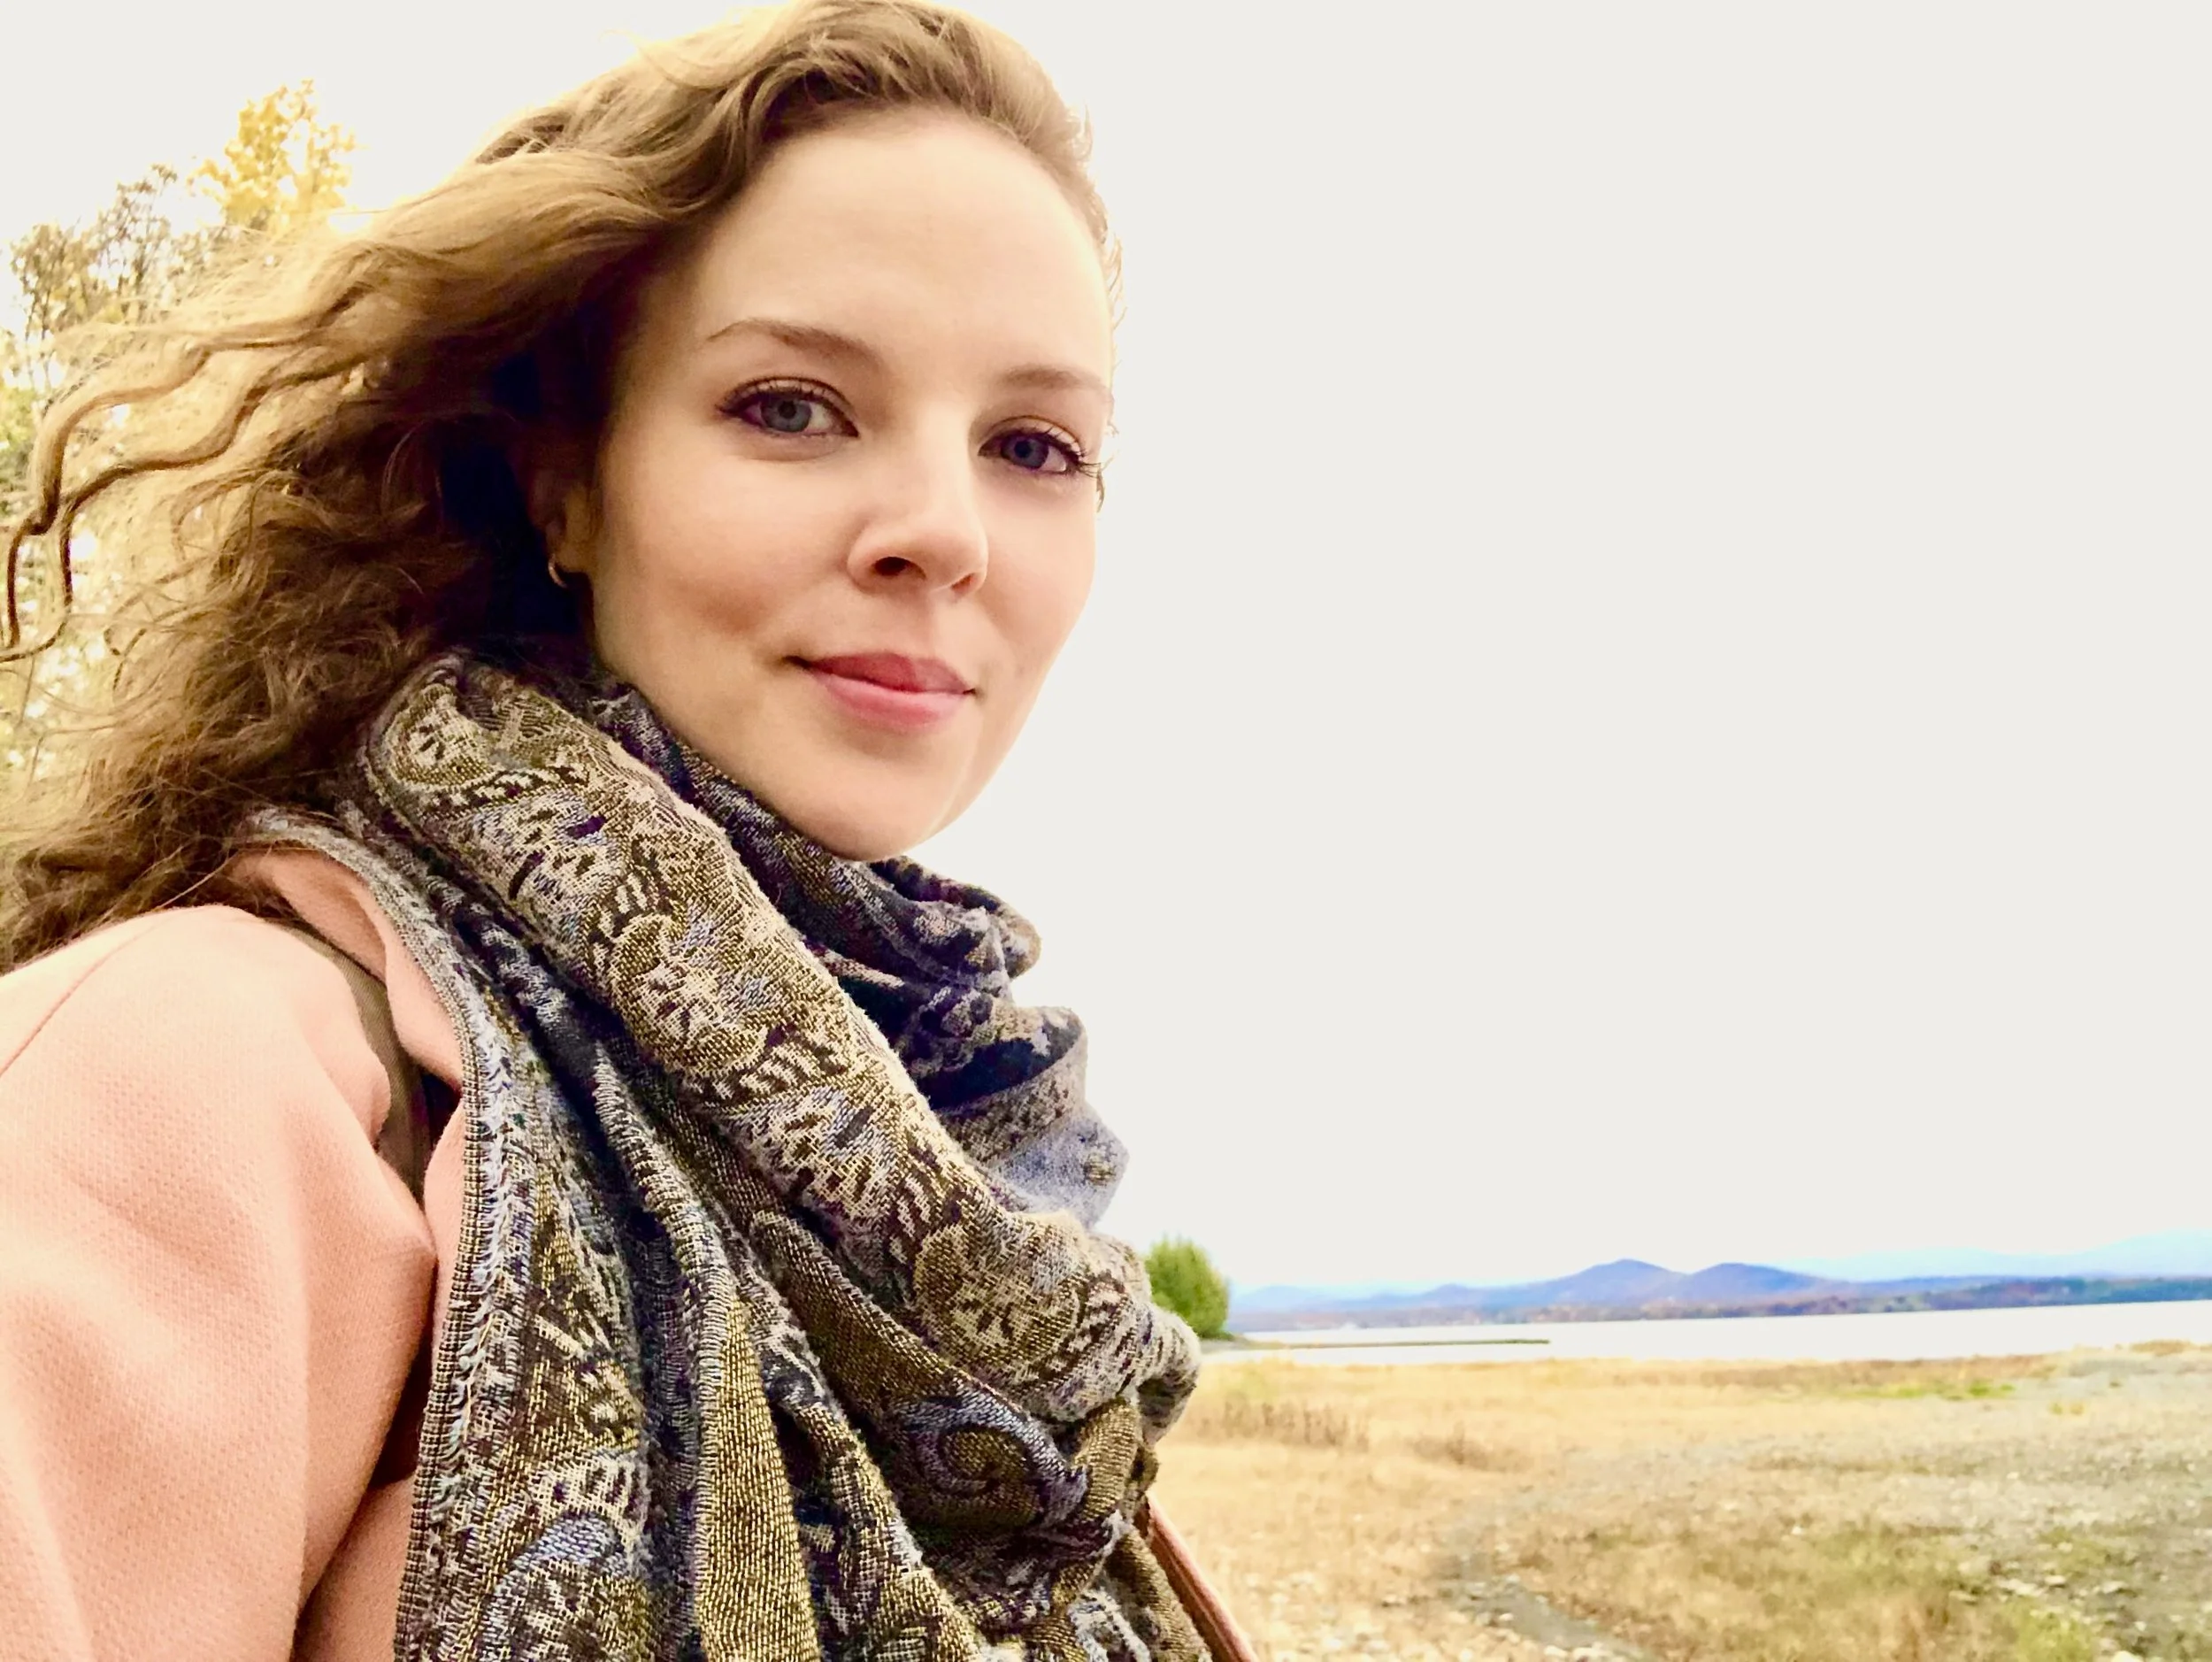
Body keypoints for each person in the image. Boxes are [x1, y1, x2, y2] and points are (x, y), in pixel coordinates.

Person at [0, 3, 1254, 1657]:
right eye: (795, 406)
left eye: (1034, 445)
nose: (945, 530)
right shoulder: (191, 1081)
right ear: (564, 481)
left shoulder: (974, 1198)